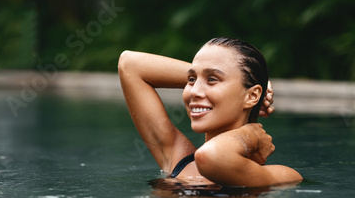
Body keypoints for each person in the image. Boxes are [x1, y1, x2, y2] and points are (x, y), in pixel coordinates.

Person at [118, 37, 302, 187]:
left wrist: (249, 134)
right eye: (191, 80)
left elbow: (212, 157)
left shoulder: (281, 175)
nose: (194, 91)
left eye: (212, 79)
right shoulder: (179, 162)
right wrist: (213, 74)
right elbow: (130, 65)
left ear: (252, 95)